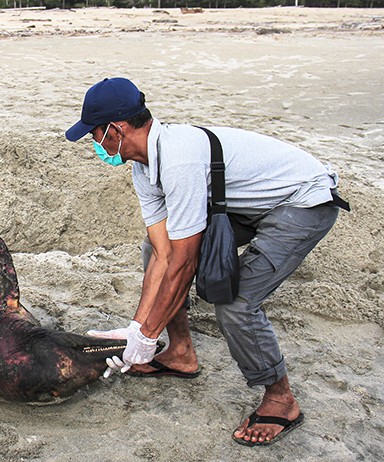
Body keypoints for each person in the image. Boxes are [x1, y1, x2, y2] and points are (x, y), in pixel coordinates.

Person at [66, 77, 346, 446]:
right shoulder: (143, 165)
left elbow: (183, 264)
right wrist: (138, 331)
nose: (94, 144)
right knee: (153, 250)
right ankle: (181, 353)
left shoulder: (179, 159)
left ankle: (281, 399)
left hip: (302, 201)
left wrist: (147, 336)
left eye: (94, 135)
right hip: (245, 204)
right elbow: (164, 252)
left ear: (116, 129)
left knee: (238, 302)